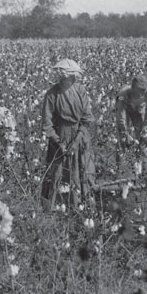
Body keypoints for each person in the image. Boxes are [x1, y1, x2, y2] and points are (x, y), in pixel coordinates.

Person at [40, 59, 96, 211]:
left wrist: (77, 139)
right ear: (64, 77)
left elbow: (86, 118)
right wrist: (58, 142)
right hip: (60, 136)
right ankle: (58, 209)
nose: (72, 79)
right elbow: (47, 123)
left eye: (73, 77)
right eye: (69, 77)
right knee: (59, 172)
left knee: (83, 169)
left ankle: (83, 207)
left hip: (80, 135)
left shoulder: (80, 90)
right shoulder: (52, 94)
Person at [115, 74, 147, 168]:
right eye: (139, 89)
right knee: (122, 138)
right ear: (133, 87)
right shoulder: (123, 94)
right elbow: (121, 114)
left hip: (139, 112)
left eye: (143, 89)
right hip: (126, 111)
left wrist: (145, 126)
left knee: (143, 138)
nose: (142, 92)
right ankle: (121, 167)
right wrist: (125, 131)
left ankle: (144, 166)